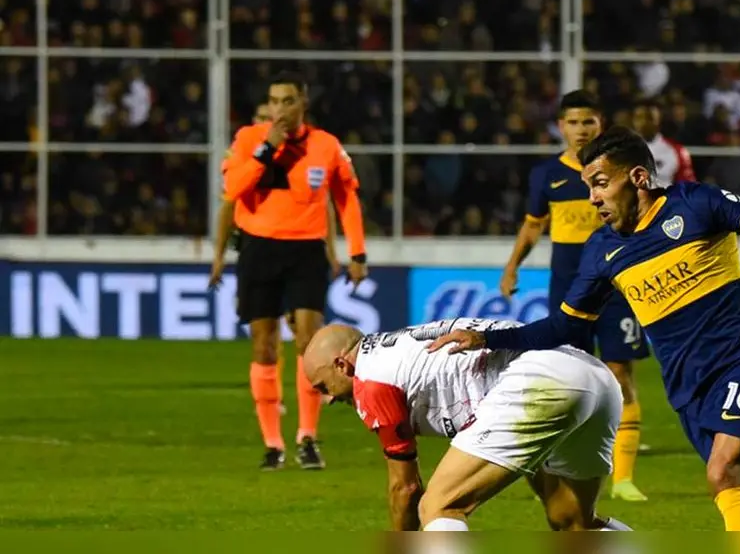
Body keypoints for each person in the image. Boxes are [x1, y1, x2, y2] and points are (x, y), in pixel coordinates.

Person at [427, 126, 740, 532]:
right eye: (588, 185)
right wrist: (488, 339)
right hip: (688, 391)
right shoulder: (603, 252)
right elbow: (564, 327)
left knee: (724, 474)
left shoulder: (697, 205)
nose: (591, 196)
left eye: (599, 183)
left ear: (637, 177)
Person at [301, 317, 633, 532]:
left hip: (541, 380)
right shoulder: (395, 349)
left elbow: (406, 488)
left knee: (440, 505)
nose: (328, 400)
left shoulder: (370, 381)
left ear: (341, 364)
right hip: (595, 376)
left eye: (323, 387)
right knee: (572, 523)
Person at [501, 90, 649, 502]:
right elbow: (533, 226)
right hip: (569, 291)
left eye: (589, 121)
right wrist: (512, 266)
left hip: (620, 286)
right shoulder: (547, 175)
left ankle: (623, 478)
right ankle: (561, 467)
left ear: (601, 123)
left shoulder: (621, 171)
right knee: (567, 377)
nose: (581, 129)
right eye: (573, 122)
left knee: (620, 373)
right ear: (560, 126)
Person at [221, 70, 369, 471]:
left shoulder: (326, 146)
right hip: (259, 249)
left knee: (308, 340)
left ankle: (307, 437)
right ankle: (272, 443)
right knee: (264, 345)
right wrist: (267, 149)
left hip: (306, 250)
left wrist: (357, 251)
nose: (279, 109)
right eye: (274, 101)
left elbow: (346, 199)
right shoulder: (251, 139)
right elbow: (234, 190)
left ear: (303, 102)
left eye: (288, 101)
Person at [209, 101, 342, 416]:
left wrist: (330, 249)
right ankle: (273, 399)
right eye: (264, 119)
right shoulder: (245, 157)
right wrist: (219, 254)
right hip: (259, 249)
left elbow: (322, 204)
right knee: (265, 334)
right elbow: (229, 204)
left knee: (301, 327)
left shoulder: (299, 157)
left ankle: (316, 390)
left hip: (297, 248)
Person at [631, 99, 696, 186]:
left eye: (649, 118)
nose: (643, 122)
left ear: (659, 119)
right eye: (639, 117)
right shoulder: (621, 151)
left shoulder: (677, 151)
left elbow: (688, 189)